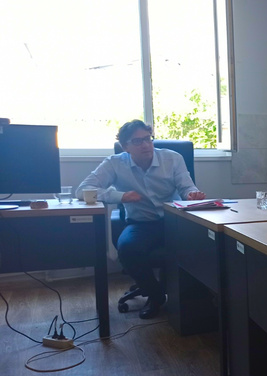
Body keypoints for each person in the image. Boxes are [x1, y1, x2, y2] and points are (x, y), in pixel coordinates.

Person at [77, 120, 205, 319]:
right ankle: (155, 295)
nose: (145, 145)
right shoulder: (114, 163)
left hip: (175, 220)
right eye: (137, 141)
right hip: (141, 223)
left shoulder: (172, 158)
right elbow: (83, 191)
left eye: (147, 139)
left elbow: (187, 187)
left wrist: (192, 195)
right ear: (125, 146)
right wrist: (121, 196)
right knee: (127, 248)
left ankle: (200, 298)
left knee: (207, 243)